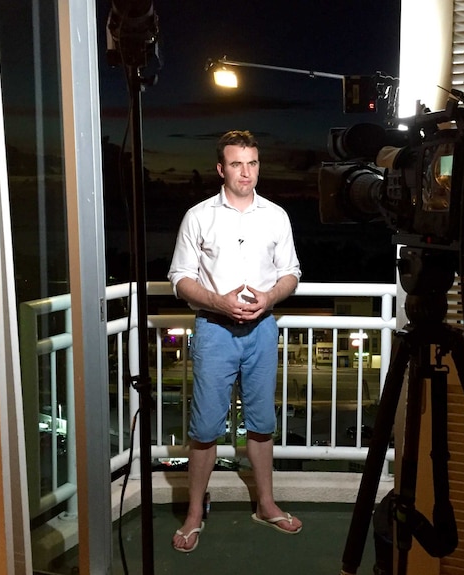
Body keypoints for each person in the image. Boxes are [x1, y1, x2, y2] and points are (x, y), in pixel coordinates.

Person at [167, 130, 303, 553]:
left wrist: (269, 297)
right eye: (238, 164)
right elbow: (180, 278)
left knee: (262, 424)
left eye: (253, 163)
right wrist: (219, 303)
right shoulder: (199, 216)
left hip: (262, 330)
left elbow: (291, 273)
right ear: (221, 169)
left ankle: (266, 504)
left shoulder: (276, 216)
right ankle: (194, 513)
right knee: (206, 428)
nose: (246, 172)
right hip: (214, 329)